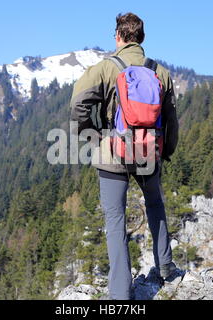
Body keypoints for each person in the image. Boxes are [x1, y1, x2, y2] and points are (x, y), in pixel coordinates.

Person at [70, 12, 179, 300]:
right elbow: (171, 120)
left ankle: (120, 293)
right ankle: (166, 267)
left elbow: (78, 102)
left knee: (115, 218)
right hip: (149, 153)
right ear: (141, 38)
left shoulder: (105, 68)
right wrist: (164, 150)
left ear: (118, 36)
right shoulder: (160, 72)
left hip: (112, 153)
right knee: (155, 205)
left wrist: (91, 135)